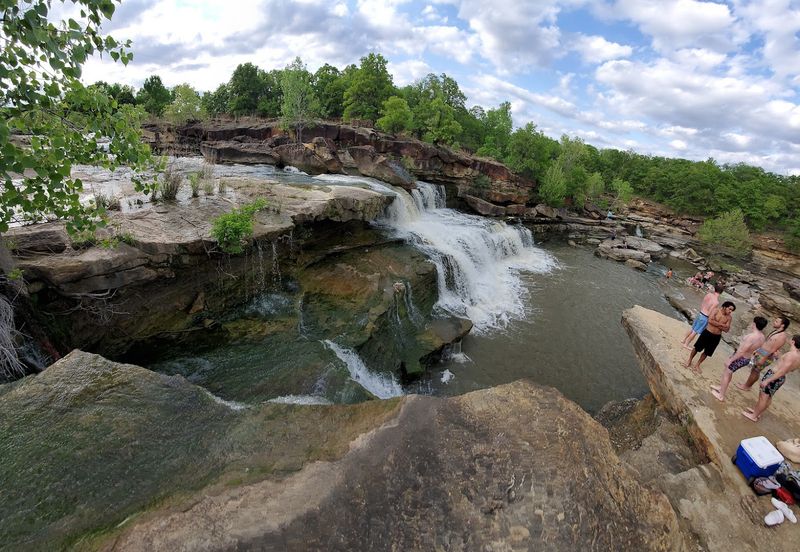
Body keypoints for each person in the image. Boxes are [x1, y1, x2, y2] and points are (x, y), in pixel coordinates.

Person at [742, 335, 800, 422]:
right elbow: (790, 369)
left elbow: (782, 371)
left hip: (774, 376)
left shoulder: (791, 355)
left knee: (763, 397)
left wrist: (768, 380)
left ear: (793, 342)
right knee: (768, 397)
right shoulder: (797, 356)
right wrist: (780, 357)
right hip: (779, 378)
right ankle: (757, 412)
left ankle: (754, 416)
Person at [710, 316, 768, 401]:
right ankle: (721, 387)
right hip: (746, 358)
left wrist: (731, 360)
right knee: (729, 372)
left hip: (740, 357)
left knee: (727, 373)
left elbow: (741, 351)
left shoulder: (752, 337)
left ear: (754, 324)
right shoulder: (762, 337)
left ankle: (721, 395)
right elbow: (760, 350)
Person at [735, 316, 790, 391]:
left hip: (766, 356)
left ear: (782, 325)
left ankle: (746, 386)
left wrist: (763, 359)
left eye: (777, 321)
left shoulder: (782, 336)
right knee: (754, 370)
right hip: (762, 353)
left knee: (755, 371)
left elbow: (773, 350)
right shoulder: (776, 331)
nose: (774, 322)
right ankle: (748, 385)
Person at [684, 301, 735, 373]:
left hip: (716, 337)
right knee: (697, 348)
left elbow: (727, 329)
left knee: (707, 352)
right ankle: (689, 360)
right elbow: (710, 321)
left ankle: (697, 364)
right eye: (729, 309)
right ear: (724, 307)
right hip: (707, 333)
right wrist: (722, 325)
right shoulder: (716, 310)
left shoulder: (729, 318)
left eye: (731, 310)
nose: (730, 311)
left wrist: (716, 323)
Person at [680, 283, 724, 349]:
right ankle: (686, 344)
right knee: (695, 332)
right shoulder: (716, 302)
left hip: (700, 313)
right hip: (705, 317)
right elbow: (710, 312)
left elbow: (703, 303)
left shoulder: (709, 294)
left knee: (692, 328)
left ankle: (683, 340)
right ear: (721, 292)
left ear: (715, 289)